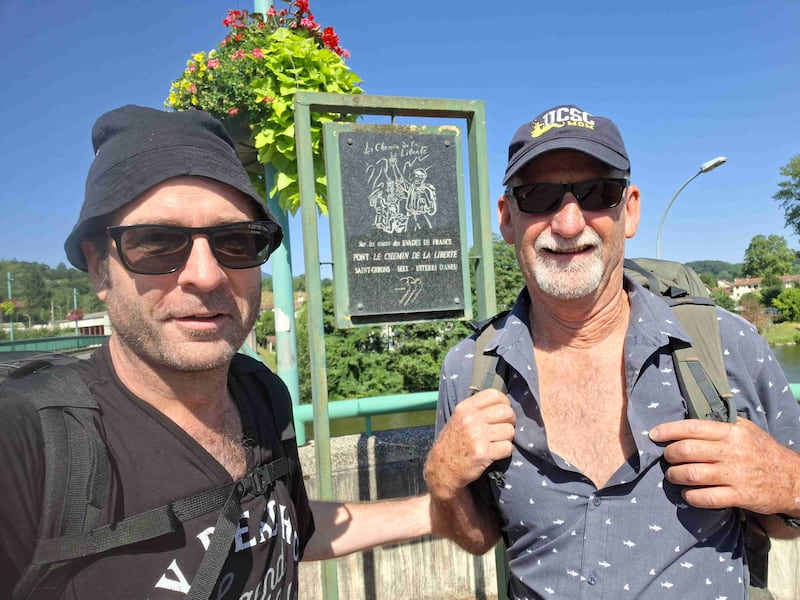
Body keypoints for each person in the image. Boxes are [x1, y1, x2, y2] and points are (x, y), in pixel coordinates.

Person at [0, 105, 433, 599]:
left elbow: (286, 527)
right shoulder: (27, 439)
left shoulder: (259, 392)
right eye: (157, 243)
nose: (206, 276)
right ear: (99, 269)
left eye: (235, 241)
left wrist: (432, 512)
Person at [424, 104, 800, 598]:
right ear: (508, 219)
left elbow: (786, 521)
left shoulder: (726, 345)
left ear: (631, 209)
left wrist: (789, 483)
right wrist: (442, 485)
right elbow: (478, 538)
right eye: (538, 196)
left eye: (598, 193)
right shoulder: (469, 370)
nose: (568, 222)